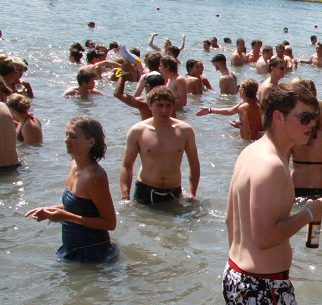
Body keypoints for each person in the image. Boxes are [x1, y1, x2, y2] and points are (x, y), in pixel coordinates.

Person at [223, 84, 322, 305]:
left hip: (238, 277)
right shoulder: (270, 165)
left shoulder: (251, 152)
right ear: (279, 117)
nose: (312, 125)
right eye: (305, 117)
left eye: (315, 118)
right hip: (265, 288)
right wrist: (309, 212)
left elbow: (229, 218)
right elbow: (264, 237)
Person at [25, 117, 118, 262]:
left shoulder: (94, 176)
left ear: (91, 142)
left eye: (73, 136)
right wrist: (49, 210)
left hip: (93, 253)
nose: (66, 140)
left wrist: (65, 216)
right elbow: (80, 206)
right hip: (71, 248)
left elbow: (110, 223)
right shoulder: (73, 165)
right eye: (66, 135)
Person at [120, 87, 200, 204]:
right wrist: (125, 196)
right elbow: (127, 165)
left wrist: (192, 194)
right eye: (159, 105)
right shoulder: (138, 131)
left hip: (174, 192)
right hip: (145, 191)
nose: (164, 110)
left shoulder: (185, 131)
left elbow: (194, 164)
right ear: (150, 105)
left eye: (168, 106)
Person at [196, 79, 262, 141]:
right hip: (257, 139)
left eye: (239, 87)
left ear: (242, 90)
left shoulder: (244, 107)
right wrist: (210, 110)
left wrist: (246, 146)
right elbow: (230, 111)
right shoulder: (257, 103)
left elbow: (247, 131)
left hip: (249, 141)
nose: (238, 89)